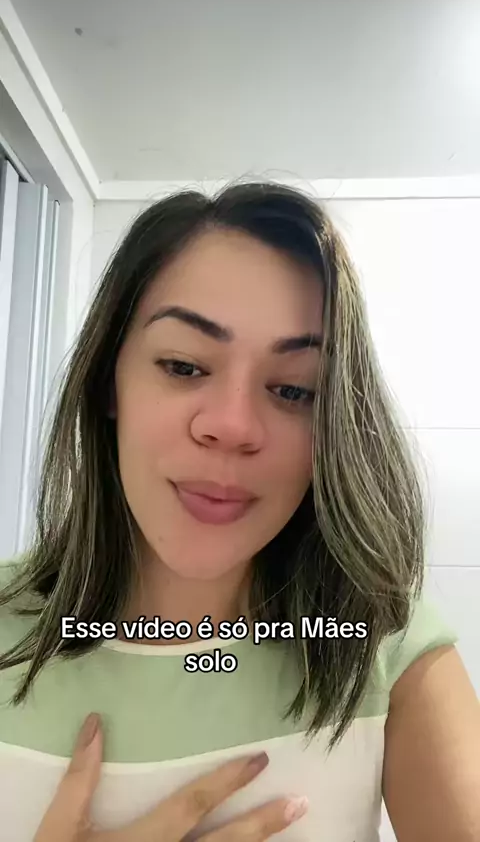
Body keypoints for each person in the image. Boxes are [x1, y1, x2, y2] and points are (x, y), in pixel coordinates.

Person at [0, 181, 479, 842]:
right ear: (110, 380)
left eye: (294, 389)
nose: (232, 426)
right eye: (183, 366)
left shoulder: (387, 651)